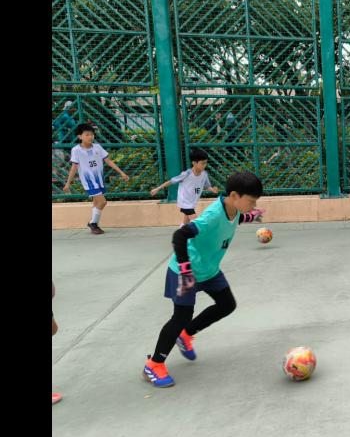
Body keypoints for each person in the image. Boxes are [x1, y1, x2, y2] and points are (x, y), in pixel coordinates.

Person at [142, 172, 265, 388]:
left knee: (227, 304)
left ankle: (186, 334)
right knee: (181, 316)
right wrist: (186, 270)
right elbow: (179, 236)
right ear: (234, 195)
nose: (253, 205)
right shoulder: (212, 215)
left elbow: (235, 219)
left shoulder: (234, 209)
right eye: (251, 201)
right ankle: (154, 364)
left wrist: (251, 216)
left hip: (208, 270)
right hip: (186, 271)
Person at [63, 123, 130, 234]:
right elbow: (74, 167)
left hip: (99, 180)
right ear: (80, 136)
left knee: (96, 203)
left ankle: (93, 224)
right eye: (87, 134)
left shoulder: (97, 147)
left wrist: (121, 173)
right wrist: (68, 183)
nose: (90, 137)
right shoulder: (76, 150)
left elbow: (108, 161)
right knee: (103, 202)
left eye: (92, 134)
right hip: (89, 181)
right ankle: (93, 223)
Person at [150, 148, 219, 226]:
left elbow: (206, 186)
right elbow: (171, 181)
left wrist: (212, 190)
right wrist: (157, 189)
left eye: (206, 163)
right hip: (184, 202)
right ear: (194, 163)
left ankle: (181, 232)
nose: (205, 165)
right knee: (196, 223)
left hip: (192, 202)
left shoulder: (204, 174)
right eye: (202, 163)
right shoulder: (186, 174)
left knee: (185, 223)